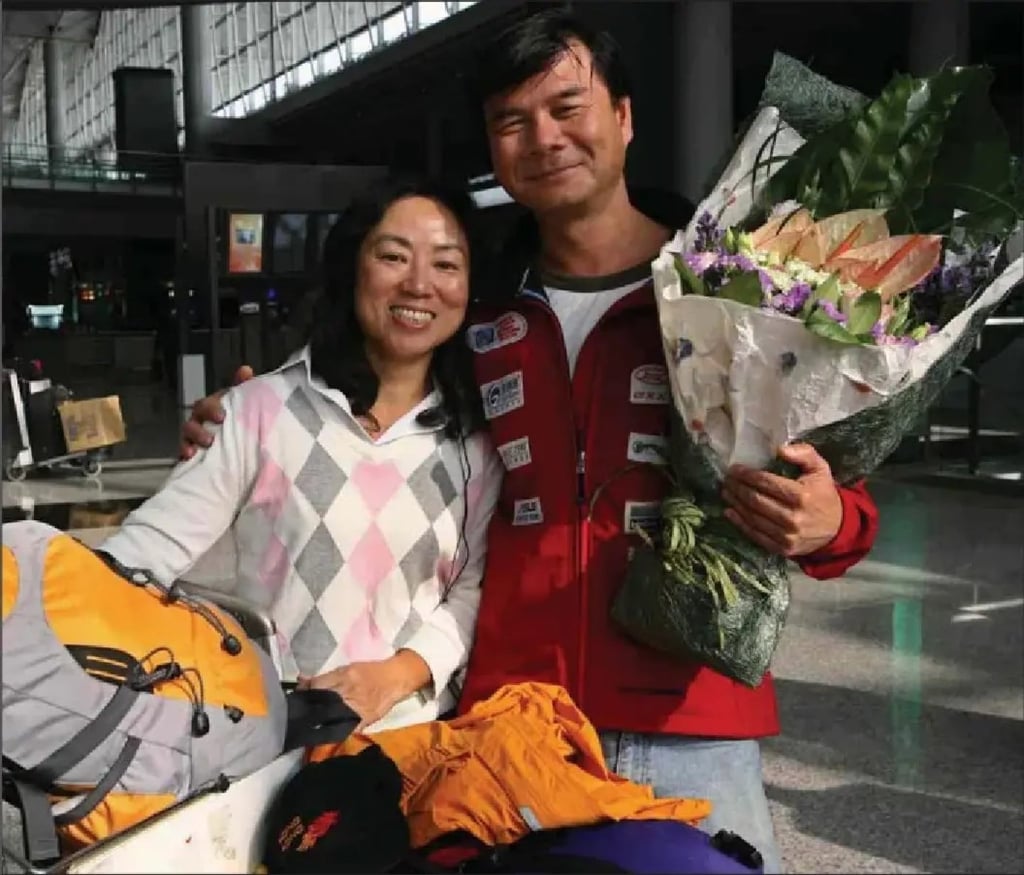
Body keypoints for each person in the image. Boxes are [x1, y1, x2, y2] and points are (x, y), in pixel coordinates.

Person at [178, 11, 879, 871]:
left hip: (689, 720)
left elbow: (836, 477)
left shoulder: (734, 292)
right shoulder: (473, 305)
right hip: (505, 720)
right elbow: (357, 395)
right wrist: (243, 417)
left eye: (566, 108)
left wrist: (830, 521)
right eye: (511, 121)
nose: (543, 138)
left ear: (624, 116)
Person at [103, 174, 503, 733]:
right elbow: (145, 554)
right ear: (351, 267)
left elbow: (470, 590)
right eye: (393, 256)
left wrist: (394, 676)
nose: (419, 284)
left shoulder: (476, 445)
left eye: (446, 264)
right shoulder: (256, 412)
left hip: (411, 743)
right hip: (260, 740)